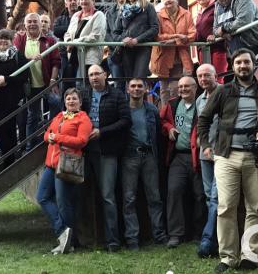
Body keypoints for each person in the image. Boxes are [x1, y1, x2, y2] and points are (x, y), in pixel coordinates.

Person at [197, 48, 258, 272]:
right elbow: (204, 118)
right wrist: (206, 145)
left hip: (256, 157)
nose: (242, 66)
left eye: (246, 62)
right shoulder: (223, 91)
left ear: (254, 65)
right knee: (225, 206)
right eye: (238, 63)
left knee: (256, 207)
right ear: (233, 66)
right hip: (226, 156)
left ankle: (250, 255)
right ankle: (228, 257)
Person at [80, 64, 131, 252]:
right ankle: (84, 239)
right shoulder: (84, 94)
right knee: (82, 194)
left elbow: (126, 120)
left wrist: (102, 132)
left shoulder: (117, 94)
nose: (94, 77)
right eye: (91, 75)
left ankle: (113, 240)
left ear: (106, 75)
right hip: (84, 151)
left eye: (97, 74)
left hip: (107, 151)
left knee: (108, 196)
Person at [37, 88, 92, 254]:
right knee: (42, 197)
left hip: (67, 164)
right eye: (68, 99)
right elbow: (47, 134)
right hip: (51, 164)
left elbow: (82, 141)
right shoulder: (60, 116)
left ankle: (70, 242)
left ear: (80, 102)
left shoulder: (83, 118)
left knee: (63, 202)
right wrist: (49, 137)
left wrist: (58, 138)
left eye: (74, 99)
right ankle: (63, 232)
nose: (71, 101)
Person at [120, 77, 168, 250]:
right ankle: (132, 239)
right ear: (127, 89)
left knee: (154, 198)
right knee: (129, 199)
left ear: (146, 89)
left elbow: (158, 135)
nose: (136, 89)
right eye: (133, 86)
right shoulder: (123, 110)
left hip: (149, 156)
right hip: (129, 157)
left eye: (140, 86)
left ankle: (159, 235)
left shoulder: (152, 110)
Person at [160, 76, 206, 248]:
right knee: (173, 191)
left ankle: (198, 233)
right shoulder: (172, 104)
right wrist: (169, 128)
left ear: (195, 88)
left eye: (187, 86)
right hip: (177, 156)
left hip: (197, 156)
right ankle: (175, 234)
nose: (183, 89)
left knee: (200, 194)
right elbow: (162, 121)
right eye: (180, 86)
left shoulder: (202, 104)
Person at [13, 13, 60, 151]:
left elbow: (56, 62)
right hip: (29, 85)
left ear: (41, 24)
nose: (32, 24)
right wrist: (31, 58)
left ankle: (51, 133)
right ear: (25, 24)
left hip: (46, 82)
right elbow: (16, 58)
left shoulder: (49, 40)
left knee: (56, 102)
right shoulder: (20, 39)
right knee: (32, 115)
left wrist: (53, 80)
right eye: (30, 22)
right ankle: (29, 145)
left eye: (35, 21)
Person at [0, 29, 30, 169]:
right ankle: (6, 159)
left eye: (6, 38)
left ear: (11, 41)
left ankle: (10, 161)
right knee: (0, 131)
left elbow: (24, 76)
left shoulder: (17, 55)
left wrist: (7, 79)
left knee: (10, 129)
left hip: (12, 99)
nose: (3, 41)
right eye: (0, 38)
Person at [150, 0, 196, 104]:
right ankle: (165, 117)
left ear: (177, 0)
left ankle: (177, 114)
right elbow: (157, 37)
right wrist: (177, 37)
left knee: (177, 89)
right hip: (163, 58)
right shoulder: (158, 16)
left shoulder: (187, 14)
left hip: (181, 59)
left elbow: (192, 35)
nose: (168, 0)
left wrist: (172, 41)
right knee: (164, 90)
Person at [195, 64, 221, 258]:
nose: (203, 79)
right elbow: (202, 126)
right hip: (206, 154)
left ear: (216, 76)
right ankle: (215, 240)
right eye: (200, 76)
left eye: (207, 75)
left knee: (215, 198)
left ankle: (207, 241)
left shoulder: (225, 93)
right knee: (208, 196)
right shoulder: (199, 100)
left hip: (221, 153)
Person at [113, 0, 159, 80]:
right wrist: (123, 40)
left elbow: (155, 28)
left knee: (139, 79)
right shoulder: (122, 10)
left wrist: (137, 40)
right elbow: (116, 32)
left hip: (143, 47)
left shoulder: (148, 7)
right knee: (130, 81)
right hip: (127, 49)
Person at [64, 0, 106, 85]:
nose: (83, 1)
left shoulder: (98, 15)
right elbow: (67, 33)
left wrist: (74, 43)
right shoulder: (76, 16)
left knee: (83, 85)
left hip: (89, 57)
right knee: (72, 84)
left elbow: (96, 37)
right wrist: (69, 41)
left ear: (93, 0)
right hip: (74, 56)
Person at [194, 0, 228, 82]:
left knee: (217, 78)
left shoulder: (217, 6)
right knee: (205, 79)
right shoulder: (199, 12)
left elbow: (224, 22)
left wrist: (215, 34)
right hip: (203, 49)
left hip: (218, 47)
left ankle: (219, 97)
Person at [53, 0, 80, 86]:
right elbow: (56, 31)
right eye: (70, 0)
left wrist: (66, 31)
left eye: (75, 0)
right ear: (66, 4)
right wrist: (73, 28)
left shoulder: (83, 16)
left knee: (78, 81)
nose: (73, 2)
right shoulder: (61, 18)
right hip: (64, 54)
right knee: (65, 82)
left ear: (78, 2)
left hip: (79, 54)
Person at [105, 0, 127, 90]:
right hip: (114, 54)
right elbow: (106, 32)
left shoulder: (135, 8)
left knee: (134, 83)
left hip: (130, 51)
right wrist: (115, 45)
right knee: (118, 86)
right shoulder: (109, 12)